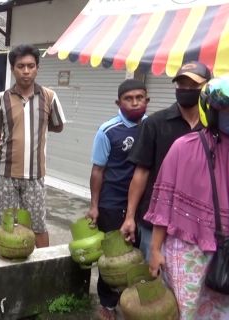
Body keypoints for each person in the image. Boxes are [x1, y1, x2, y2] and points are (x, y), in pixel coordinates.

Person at [145, 77, 229, 319]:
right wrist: (155, 249)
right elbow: (164, 204)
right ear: (211, 111)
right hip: (187, 252)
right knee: (186, 312)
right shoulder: (183, 147)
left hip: (226, 251)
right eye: (224, 109)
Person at [120, 61, 212, 260]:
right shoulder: (155, 124)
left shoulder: (213, 127)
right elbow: (141, 172)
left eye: (193, 85)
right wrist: (130, 217)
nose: (186, 89)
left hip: (198, 225)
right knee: (154, 283)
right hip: (154, 221)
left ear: (206, 88)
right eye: (181, 85)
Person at [0, 44, 66, 248]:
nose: (26, 71)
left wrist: (37, 129)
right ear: (13, 68)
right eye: (21, 66)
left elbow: (58, 125)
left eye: (31, 66)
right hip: (5, 176)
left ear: (38, 67)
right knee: (5, 228)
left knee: (38, 227)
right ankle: (5, 269)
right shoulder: (0, 100)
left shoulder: (49, 97)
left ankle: (42, 270)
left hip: (35, 177)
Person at [87, 79, 149, 320]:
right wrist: (94, 206)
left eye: (139, 97)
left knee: (138, 255)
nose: (135, 102)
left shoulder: (151, 127)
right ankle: (108, 303)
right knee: (113, 258)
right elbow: (97, 171)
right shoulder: (107, 131)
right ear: (118, 102)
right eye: (129, 98)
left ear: (147, 100)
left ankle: (134, 300)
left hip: (143, 205)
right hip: (112, 204)